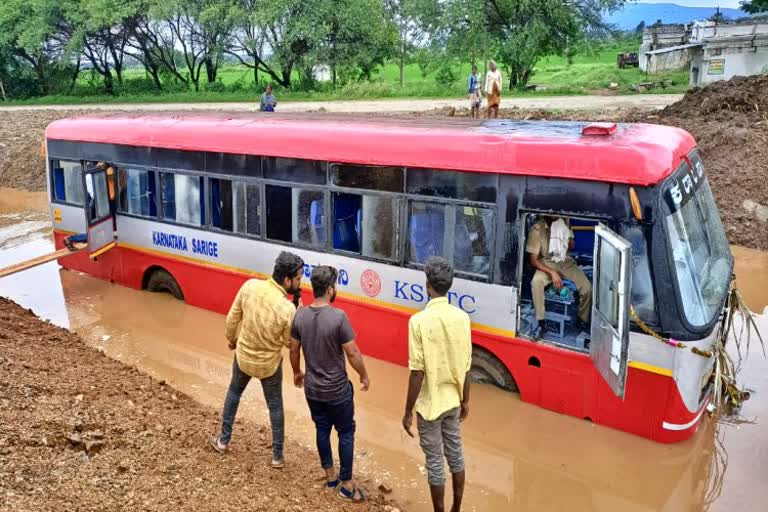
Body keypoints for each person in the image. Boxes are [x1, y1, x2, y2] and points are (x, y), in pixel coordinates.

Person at [209, 251, 305, 468]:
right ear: (287, 280)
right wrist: (297, 318)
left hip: (243, 357)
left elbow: (232, 319)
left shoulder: (249, 286)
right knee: (276, 407)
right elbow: (288, 344)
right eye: (298, 278)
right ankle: (277, 457)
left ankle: (223, 441)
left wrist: (232, 341)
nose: (300, 283)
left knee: (234, 393)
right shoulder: (287, 308)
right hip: (269, 366)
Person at [290, 266, 370, 503]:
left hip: (312, 390)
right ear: (329, 289)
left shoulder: (300, 316)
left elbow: (293, 349)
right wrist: (364, 376)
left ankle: (331, 476)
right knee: (346, 432)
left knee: (322, 430)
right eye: (335, 285)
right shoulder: (338, 317)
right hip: (337, 391)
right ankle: (346, 485)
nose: (336, 289)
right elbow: (353, 354)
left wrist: (296, 372)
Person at [402, 257, 472, 512]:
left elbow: (417, 372)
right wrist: (465, 401)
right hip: (453, 401)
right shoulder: (462, 318)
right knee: (456, 456)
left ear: (428, 286)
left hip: (429, 405)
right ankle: (457, 509)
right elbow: (466, 366)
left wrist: (407, 411)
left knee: (434, 462)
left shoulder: (418, 321)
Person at [526, 216, 593, 339]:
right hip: (546, 262)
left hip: (564, 260)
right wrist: (552, 273)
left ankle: (581, 319)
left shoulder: (564, 222)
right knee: (536, 282)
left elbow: (572, 247)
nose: (556, 215)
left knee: (587, 288)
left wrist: (563, 232)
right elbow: (534, 261)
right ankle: (541, 323)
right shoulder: (537, 229)